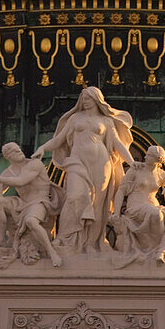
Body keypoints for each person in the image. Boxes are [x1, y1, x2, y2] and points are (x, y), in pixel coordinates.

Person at [33, 87, 134, 253]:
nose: (85, 101)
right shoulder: (75, 118)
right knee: (74, 197)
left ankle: (93, 243)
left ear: (96, 100)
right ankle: (65, 239)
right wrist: (43, 148)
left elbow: (117, 144)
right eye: (83, 98)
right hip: (77, 162)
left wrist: (131, 161)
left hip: (101, 163)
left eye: (88, 98)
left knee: (98, 204)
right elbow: (59, 139)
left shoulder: (107, 121)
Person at [0, 142, 64, 267]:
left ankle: (51, 252)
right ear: (8, 157)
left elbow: (20, 181)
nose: (19, 152)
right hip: (23, 204)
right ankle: (1, 238)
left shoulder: (34, 164)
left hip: (40, 202)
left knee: (31, 221)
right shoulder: (9, 172)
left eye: (19, 149)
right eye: (14, 151)